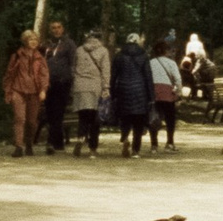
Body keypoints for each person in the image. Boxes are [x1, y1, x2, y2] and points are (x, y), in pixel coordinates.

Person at [2, 29, 49, 156]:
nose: (33, 42)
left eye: (35, 39)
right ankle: (18, 146)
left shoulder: (40, 58)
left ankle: (29, 143)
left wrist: (43, 90)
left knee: (32, 122)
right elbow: (9, 74)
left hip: (34, 92)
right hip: (18, 90)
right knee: (19, 118)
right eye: (30, 39)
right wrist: (8, 91)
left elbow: (44, 75)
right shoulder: (17, 56)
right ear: (25, 41)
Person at [110, 31, 154, 157]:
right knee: (138, 122)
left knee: (125, 118)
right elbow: (148, 76)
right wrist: (151, 96)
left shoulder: (119, 55)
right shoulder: (143, 55)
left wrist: (112, 92)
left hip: (123, 89)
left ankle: (125, 138)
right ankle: (136, 150)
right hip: (140, 91)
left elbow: (114, 76)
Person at [69, 27, 111, 156]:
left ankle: (80, 138)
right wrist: (106, 87)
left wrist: (76, 82)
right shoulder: (103, 51)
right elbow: (105, 70)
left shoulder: (79, 50)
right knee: (94, 118)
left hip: (80, 86)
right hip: (95, 86)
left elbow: (73, 68)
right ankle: (93, 148)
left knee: (83, 116)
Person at [41, 21, 75, 154]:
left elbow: (73, 63)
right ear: (50, 30)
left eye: (59, 27)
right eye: (53, 28)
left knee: (58, 111)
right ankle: (58, 142)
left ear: (63, 29)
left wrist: (71, 80)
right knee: (50, 111)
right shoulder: (46, 44)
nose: (56, 30)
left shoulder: (69, 44)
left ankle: (51, 142)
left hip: (62, 82)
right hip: (48, 82)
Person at [148, 37, 181, 151]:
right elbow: (177, 79)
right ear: (166, 51)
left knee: (154, 117)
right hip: (167, 92)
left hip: (153, 92)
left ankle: (154, 144)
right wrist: (179, 92)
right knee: (170, 118)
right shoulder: (171, 63)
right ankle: (169, 142)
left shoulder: (151, 62)